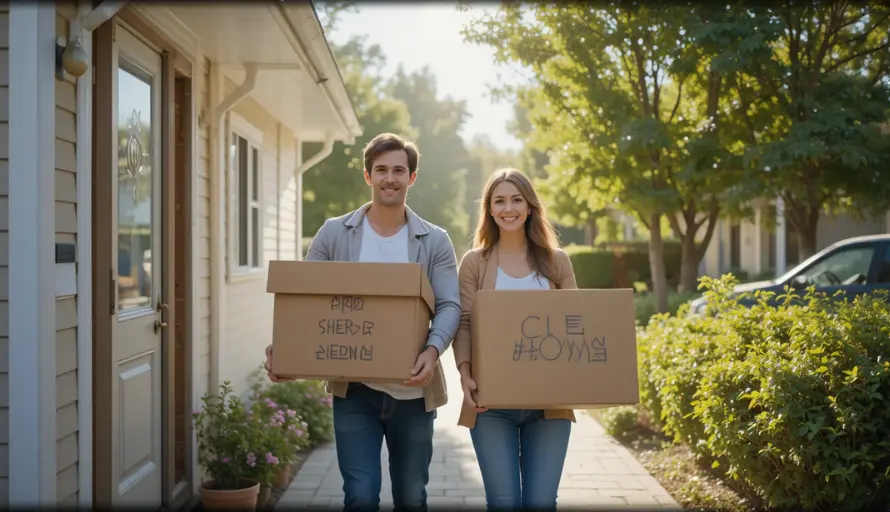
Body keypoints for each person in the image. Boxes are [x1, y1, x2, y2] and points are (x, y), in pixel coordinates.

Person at [264, 133, 461, 511]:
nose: (390, 178)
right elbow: (305, 304)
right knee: (359, 496)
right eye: (382, 170)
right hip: (355, 392)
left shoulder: (434, 240)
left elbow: (450, 305)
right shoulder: (334, 233)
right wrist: (287, 351)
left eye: (399, 170)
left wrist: (433, 350)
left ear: (412, 177)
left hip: (414, 393)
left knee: (411, 496)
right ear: (368, 176)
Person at [452, 168, 577, 510]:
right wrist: (465, 375)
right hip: (491, 406)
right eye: (500, 201)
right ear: (489, 210)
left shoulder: (557, 262)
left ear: (530, 206)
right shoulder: (475, 263)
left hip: (548, 405)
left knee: (540, 501)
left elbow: (575, 325)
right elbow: (463, 323)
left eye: (516, 200)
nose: (509, 208)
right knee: (503, 501)